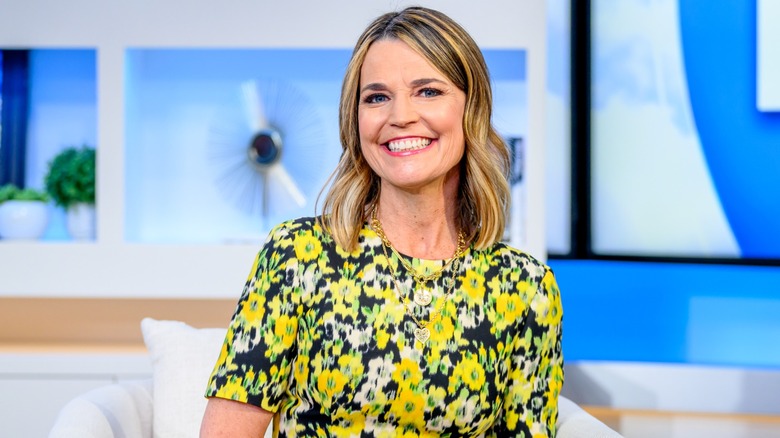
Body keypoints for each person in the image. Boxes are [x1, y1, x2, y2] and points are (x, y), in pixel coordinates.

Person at [200, 6, 563, 437]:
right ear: (355, 121)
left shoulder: (526, 287)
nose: (400, 115)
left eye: (427, 91)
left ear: (472, 110)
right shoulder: (297, 255)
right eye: (376, 97)